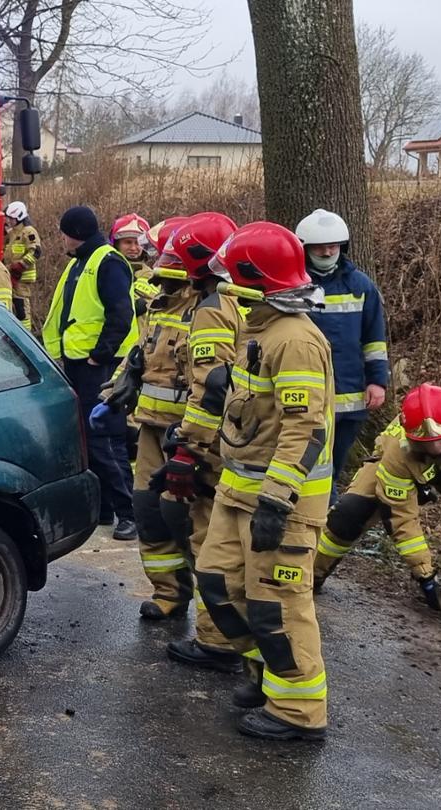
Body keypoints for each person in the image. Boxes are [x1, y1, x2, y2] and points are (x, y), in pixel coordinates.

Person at [191, 221, 334, 742]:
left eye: (232, 274)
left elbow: (307, 429)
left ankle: (299, 711)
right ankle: (266, 674)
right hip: (237, 487)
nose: (224, 284)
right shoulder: (260, 328)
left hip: (281, 501)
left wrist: (277, 499)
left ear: (254, 279)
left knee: (277, 603)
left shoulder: (294, 340)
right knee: (217, 582)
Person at [314, 384, 441, 633]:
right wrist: (425, 574)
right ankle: (311, 574)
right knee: (350, 512)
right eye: (429, 446)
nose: (438, 450)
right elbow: (402, 519)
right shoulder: (396, 455)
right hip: (408, 467)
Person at [150, 214, 248, 671]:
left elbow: (210, 386)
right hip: (236, 436)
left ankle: (218, 641)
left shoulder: (211, 308)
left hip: (213, 444)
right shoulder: (237, 299)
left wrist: (187, 446)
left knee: (212, 542)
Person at [102, 215, 197, 614]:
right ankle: (169, 594)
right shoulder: (159, 302)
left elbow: (216, 384)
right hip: (151, 428)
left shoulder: (213, 310)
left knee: (192, 524)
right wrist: (115, 387)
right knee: (148, 510)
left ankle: (217, 626)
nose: (157, 263)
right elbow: (141, 352)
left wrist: (193, 439)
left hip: (190, 436)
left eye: (165, 255)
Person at [42, 205, 138, 541]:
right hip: (79, 363)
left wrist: (101, 355)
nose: (61, 240)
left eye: (63, 233)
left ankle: (129, 513)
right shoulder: (81, 262)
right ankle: (106, 509)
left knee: (105, 436)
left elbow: (120, 313)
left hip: (101, 366)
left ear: (74, 233)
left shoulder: (106, 261)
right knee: (90, 436)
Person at [294, 209, 389, 499]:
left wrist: (378, 382)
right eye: (320, 247)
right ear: (305, 249)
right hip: (306, 395)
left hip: (349, 398)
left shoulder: (361, 287)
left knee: (332, 468)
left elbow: (374, 340)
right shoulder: (293, 286)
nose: (327, 252)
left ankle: (326, 513)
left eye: (333, 246)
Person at [113, 213, 161, 307]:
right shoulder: (106, 270)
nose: (133, 248)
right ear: (116, 244)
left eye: (138, 243)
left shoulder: (151, 275)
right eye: (127, 242)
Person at [3, 201, 40, 321]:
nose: (9, 221)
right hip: (12, 274)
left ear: (19, 217)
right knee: (14, 308)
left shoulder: (28, 231)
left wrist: (21, 265)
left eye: (11, 219)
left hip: (23, 276)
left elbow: (36, 251)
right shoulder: (12, 233)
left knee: (22, 309)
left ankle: (25, 334)